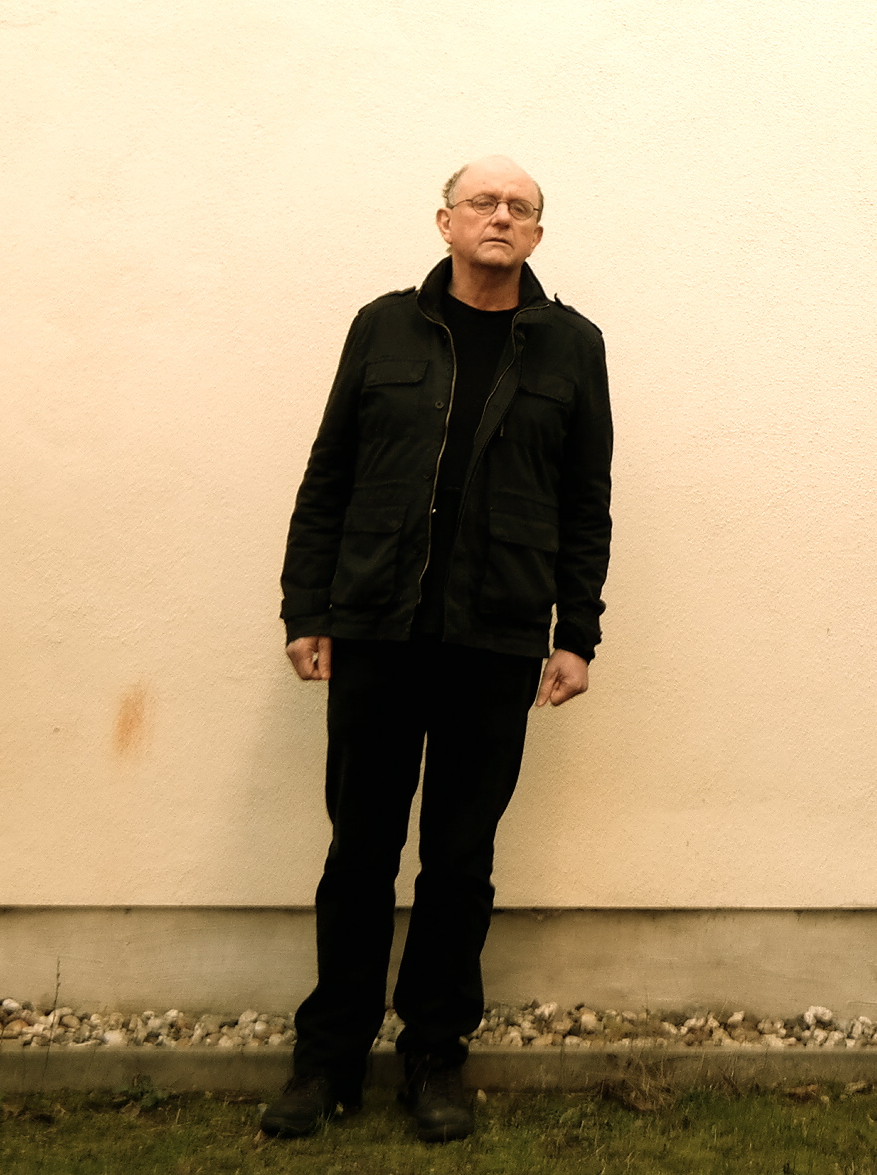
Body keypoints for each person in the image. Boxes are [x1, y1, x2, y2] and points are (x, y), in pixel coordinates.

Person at [262, 156, 612, 1144]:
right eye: (482, 202)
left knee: (460, 861)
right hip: (377, 628)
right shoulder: (383, 328)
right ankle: (329, 1058)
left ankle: (434, 1055)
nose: (500, 216)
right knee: (359, 853)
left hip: (495, 638)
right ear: (445, 222)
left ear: (536, 235)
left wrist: (576, 633)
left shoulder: (572, 346)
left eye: (520, 207)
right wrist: (305, 608)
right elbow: (328, 474)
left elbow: (586, 500)